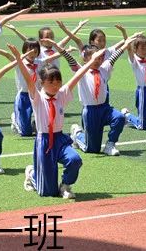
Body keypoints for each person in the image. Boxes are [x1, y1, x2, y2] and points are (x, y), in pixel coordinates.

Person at [17, 44, 106, 199]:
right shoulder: (37, 98)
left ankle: (65, 185)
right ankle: (32, 174)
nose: (56, 85)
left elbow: (77, 76)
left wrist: (91, 62)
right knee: (47, 192)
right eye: (51, 82)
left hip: (59, 139)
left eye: (58, 81)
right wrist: (19, 59)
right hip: (44, 141)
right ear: (42, 83)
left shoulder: (62, 94)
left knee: (74, 159)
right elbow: (29, 81)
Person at [69, 34, 138, 156]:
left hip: (104, 108)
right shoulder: (82, 71)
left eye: (100, 58)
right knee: (92, 149)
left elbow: (114, 57)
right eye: (95, 58)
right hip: (90, 111)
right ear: (86, 59)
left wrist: (126, 45)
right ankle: (77, 134)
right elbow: (71, 61)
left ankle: (110, 144)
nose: (98, 61)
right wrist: (60, 50)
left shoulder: (104, 69)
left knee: (120, 118)